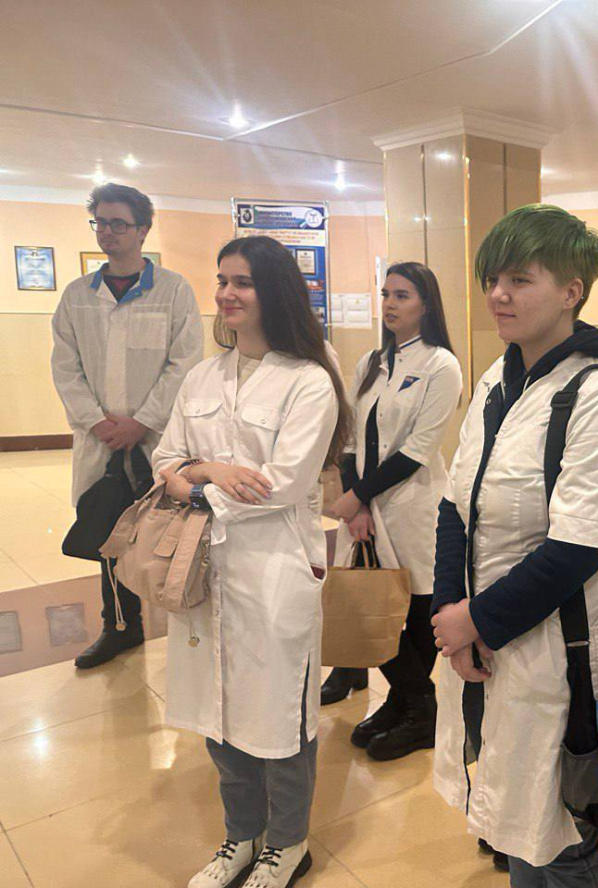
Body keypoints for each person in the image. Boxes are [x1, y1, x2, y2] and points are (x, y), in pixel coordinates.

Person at [430, 204, 598, 886]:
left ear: (571, 291)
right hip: (489, 641)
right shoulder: (496, 381)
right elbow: (455, 504)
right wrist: (449, 615)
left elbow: (576, 550)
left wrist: (476, 619)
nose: (498, 295)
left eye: (520, 279)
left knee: (562, 835)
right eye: (493, 279)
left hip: (562, 653)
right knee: (515, 824)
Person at [152, 236, 351, 888]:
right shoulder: (202, 377)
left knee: (280, 716)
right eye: (222, 280)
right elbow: (164, 461)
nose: (227, 293)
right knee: (217, 708)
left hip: (273, 572)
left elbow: (282, 484)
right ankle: (242, 835)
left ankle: (287, 845)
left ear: (275, 290)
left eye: (242, 281)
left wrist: (191, 485)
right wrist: (210, 471)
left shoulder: (309, 379)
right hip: (203, 570)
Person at [51, 182, 203, 669]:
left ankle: (185, 623)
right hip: (99, 440)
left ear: (142, 230)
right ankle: (119, 626)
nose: (108, 232)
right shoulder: (77, 296)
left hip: (155, 438)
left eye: (119, 223)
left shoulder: (174, 290)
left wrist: (142, 422)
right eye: (101, 222)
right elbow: (65, 367)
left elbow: (184, 363)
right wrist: (98, 422)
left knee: (162, 530)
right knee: (106, 530)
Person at [320, 261, 463, 762]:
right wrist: (357, 500)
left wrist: (357, 497)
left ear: (426, 304)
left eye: (402, 295)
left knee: (418, 606)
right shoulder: (371, 363)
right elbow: (350, 438)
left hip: (415, 506)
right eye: (385, 294)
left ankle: (413, 707)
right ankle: (414, 703)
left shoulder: (442, 365)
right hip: (367, 508)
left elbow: (418, 450)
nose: (389, 304)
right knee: (366, 606)